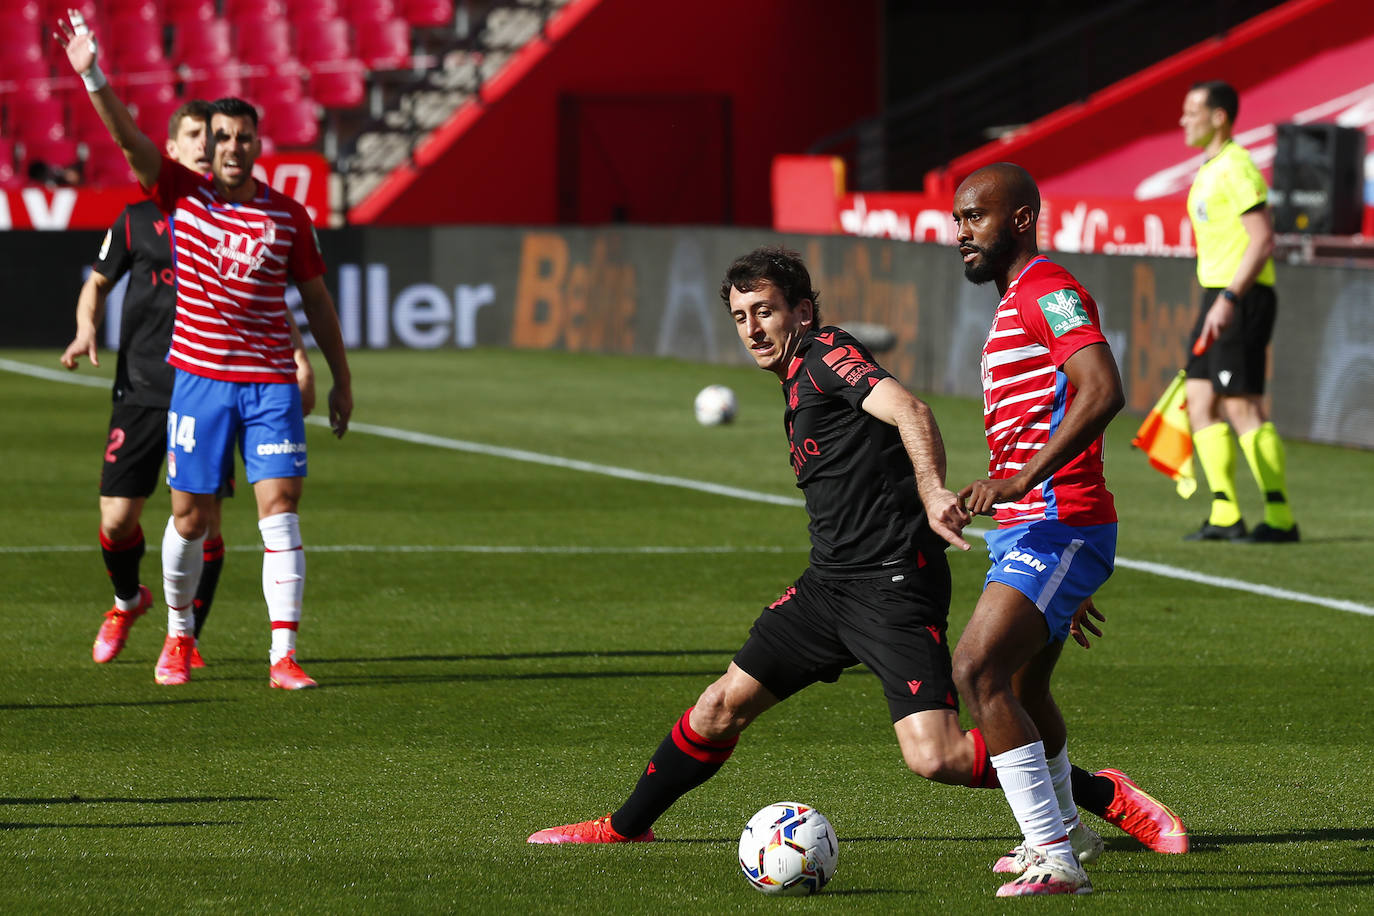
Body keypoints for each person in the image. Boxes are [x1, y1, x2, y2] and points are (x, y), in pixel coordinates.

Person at [527, 247, 1186, 877]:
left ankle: (1098, 792)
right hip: (828, 586)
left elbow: (909, 409)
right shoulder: (797, 377)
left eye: (765, 311)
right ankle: (625, 826)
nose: (753, 329)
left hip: (892, 587)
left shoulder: (825, 355)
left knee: (938, 757)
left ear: (802, 311)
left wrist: (932, 490)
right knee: (719, 706)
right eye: (741, 316)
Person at [59, 11, 353, 689]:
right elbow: (128, 139)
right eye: (222, 137)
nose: (233, 147)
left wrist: (339, 377)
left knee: (281, 512)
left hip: (270, 383)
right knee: (189, 518)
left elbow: (316, 301)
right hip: (199, 380)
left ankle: (283, 656)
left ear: (257, 144)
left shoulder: (287, 216)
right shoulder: (180, 196)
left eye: (244, 137)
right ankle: (179, 635)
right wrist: (93, 74)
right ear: (209, 145)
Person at [950, 163, 1186, 897]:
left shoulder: (1048, 289)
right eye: (958, 219)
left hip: (1057, 522)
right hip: (1034, 532)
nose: (962, 232)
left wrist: (1024, 481)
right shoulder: (1015, 301)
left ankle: (1055, 856)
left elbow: (1104, 389)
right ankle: (1068, 830)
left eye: (976, 217)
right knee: (1022, 687)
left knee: (976, 670)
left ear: (1021, 219)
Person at [1179, 80, 1298, 543]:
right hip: (1218, 295)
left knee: (1240, 404)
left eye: (1192, 111)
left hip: (1241, 297)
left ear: (1219, 117)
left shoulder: (1237, 166)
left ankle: (1281, 517)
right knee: (1200, 399)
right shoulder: (1210, 169)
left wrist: (1230, 298)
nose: (1183, 120)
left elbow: (1263, 239)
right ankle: (1225, 513)